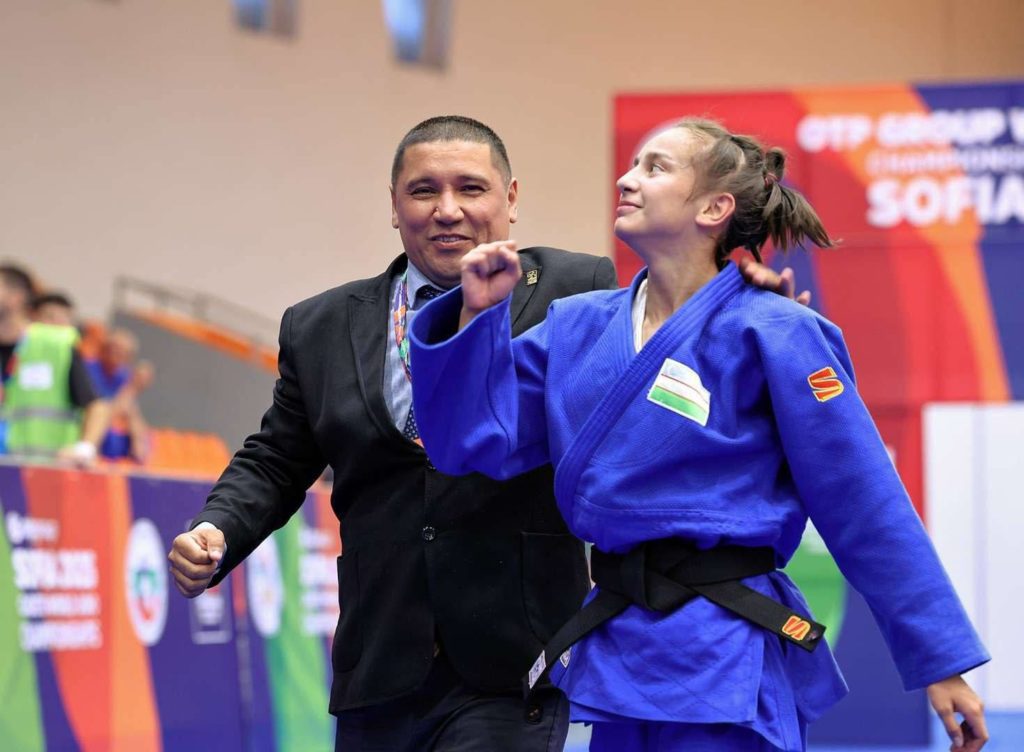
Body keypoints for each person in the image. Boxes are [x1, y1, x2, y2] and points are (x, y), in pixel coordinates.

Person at [167, 116, 806, 752]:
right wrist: (218, 527)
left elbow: (655, 359)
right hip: (380, 659)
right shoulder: (320, 325)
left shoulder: (573, 292)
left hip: (518, 658)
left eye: (471, 188)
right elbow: (277, 458)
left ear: (511, 198)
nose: (447, 210)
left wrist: (740, 305)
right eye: (423, 191)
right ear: (394, 205)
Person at [408, 118, 989, 752]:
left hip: (725, 647)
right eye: (633, 164)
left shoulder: (776, 331)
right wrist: (478, 317)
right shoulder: (575, 327)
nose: (627, 179)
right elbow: (468, 443)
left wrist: (940, 659)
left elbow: (864, 501)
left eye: (655, 168)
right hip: (620, 644)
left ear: (714, 208)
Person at [0, 265, 109, 464]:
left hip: (42, 472)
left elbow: (97, 406)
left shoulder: (55, 346)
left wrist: (85, 448)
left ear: (15, 298)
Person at [84, 328, 154, 461]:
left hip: (108, 437)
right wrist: (132, 388)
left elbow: (129, 410)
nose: (117, 353)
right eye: (114, 348)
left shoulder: (123, 376)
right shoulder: (88, 369)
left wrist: (138, 439)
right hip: (85, 429)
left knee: (141, 437)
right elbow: (101, 413)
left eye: (123, 351)